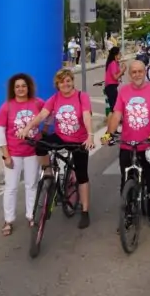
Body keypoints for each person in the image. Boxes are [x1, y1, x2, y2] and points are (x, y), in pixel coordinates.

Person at [20, 68, 94, 229]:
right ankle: (48, 174)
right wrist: (27, 129)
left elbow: (87, 116)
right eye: (62, 82)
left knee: (82, 176)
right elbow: (42, 115)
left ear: (72, 81)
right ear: (57, 85)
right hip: (61, 136)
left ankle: (85, 211)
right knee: (40, 145)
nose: (65, 84)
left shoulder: (82, 97)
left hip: (79, 140)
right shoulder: (54, 99)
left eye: (68, 80)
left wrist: (90, 135)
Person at [101, 60, 150, 230]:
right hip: (127, 143)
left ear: (145, 72)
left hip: (148, 143)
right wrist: (109, 133)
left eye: (140, 71)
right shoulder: (123, 91)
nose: (137, 75)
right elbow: (116, 115)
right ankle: (128, 215)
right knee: (126, 180)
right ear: (129, 74)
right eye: (134, 72)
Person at [0, 73, 44, 236]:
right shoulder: (6, 107)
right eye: (17, 87)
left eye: (23, 86)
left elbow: (49, 112)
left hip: (32, 152)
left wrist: (44, 131)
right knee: (11, 187)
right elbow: (1, 134)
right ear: (13, 89)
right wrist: (5, 156)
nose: (21, 89)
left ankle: (31, 215)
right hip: (13, 153)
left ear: (28, 87)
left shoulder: (37, 103)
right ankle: (8, 220)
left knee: (32, 185)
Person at [104, 47, 125, 116]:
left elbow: (118, 75)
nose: (120, 55)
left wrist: (121, 69)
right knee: (114, 107)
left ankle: (116, 119)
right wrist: (122, 70)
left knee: (115, 106)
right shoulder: (113, 63)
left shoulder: (116, 63)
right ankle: (113, 121)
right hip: (110, 87)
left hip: (113, 86)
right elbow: (115, 77)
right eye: (119, 54)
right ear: (115, 55)